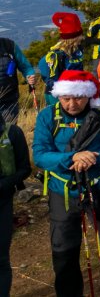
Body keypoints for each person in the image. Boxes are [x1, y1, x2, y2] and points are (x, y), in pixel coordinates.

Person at [33, 69, 100, 297]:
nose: (72, 104)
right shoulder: (47, 116)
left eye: (78, 97)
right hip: (62, 191)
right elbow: (39, 155)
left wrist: (95, 157)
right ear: (58, 96)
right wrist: (71, 158)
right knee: (64, 250)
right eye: (66, 98)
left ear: (88, 95)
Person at [0, 95, 31, 296]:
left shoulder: (13, 133)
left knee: (1, 258)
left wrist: (4, 184)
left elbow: (24, 169)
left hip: (2, 201)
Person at [0, 35, 34, 124]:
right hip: (9, 98)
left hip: (9, 100)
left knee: (8, 132)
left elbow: (25, 66)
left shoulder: (9, 45)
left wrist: (29, 76)